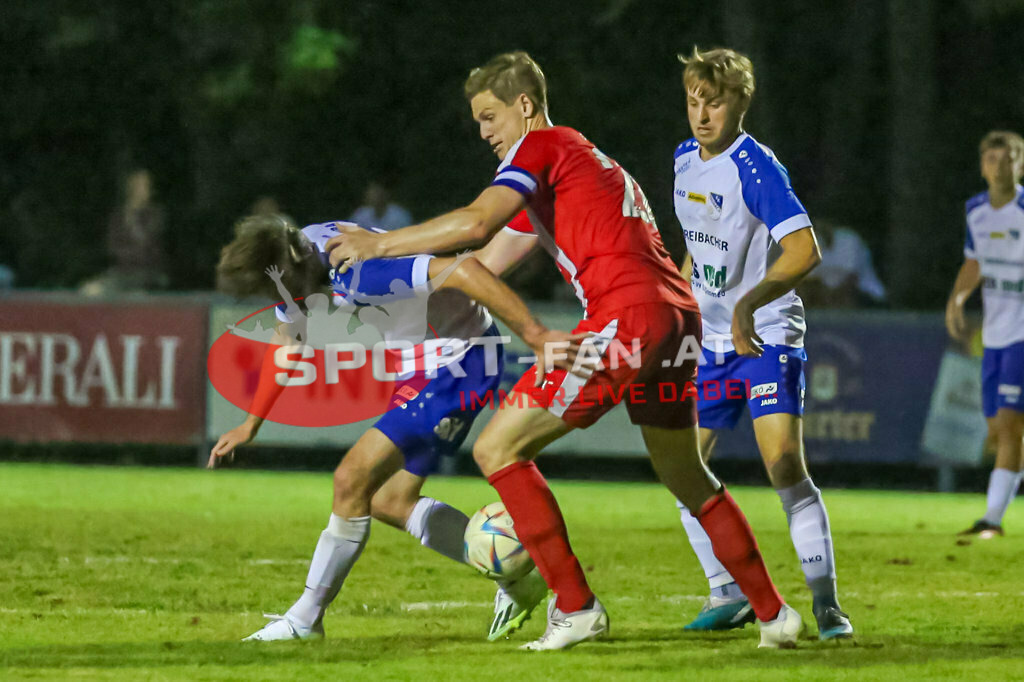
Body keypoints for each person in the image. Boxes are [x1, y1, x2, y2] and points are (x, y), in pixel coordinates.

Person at [324, 51, 803, 651]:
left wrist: (380, 243)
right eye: (477, 121)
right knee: (687, 474)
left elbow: (476, 223)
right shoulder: (582, 165)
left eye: (490, 116)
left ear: (525, 106)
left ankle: (575, 607)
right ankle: (773, 613)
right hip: (678, 319)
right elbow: (483, 263)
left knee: (499, 446)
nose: (485, 132)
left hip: (629, 316)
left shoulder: (542, 148)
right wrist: (403, 284)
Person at [210, 214, 577, 642]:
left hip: (458, 361)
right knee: (388, 499)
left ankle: (305, 620)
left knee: (352, 478)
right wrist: (251, 423)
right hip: (422, 364)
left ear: (290, 260)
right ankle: (515, 577)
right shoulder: (298, 252)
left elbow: (466, 270)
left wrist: (535, 335)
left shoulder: (361, 270)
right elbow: (288, 336)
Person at [671, 47, 853, 640]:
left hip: (765, 332)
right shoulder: (682, 161)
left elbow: (805, 251)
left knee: (781, 465)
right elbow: (695, 250)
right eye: (694, 100)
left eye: (715, 102)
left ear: (741, 104)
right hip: (710, 338)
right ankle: (727, 592)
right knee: (682, 469)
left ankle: (826, 606)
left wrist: (749, 303)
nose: (702, 114)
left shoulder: (757, 167)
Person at [947, 130, 1024, 538]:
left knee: (1010, 425)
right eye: (993, 159)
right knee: (996, 429)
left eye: (1009, 158)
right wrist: (957, 300)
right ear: (982, 166)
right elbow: (974, 261)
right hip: (994, 335)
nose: (1001, 166)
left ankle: (992, 520)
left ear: (1021, 163)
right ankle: (996, 511)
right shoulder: (976, 210)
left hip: (1022, 337)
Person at [81, 168, 169, 295]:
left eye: (146, 185)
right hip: (122, 273)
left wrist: (132, 218)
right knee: (88, 290)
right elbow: (112, 248)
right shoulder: (118, 216)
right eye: (139, 185)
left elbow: (145, 246)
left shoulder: (156, 214)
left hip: (148, 274)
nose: (143, 189)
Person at [800, 220, 886, 308]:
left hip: (866, 296)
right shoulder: (806, 240)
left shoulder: (848, 238)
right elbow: (808, 281)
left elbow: (851, 280)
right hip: (826, 301)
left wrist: (829, 298)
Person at [349, 180, 413, 232]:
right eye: (370, 192)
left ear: (385, 193)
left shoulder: (399, 215)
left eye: (376, 192)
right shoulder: (361, 214)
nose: (372, 195)